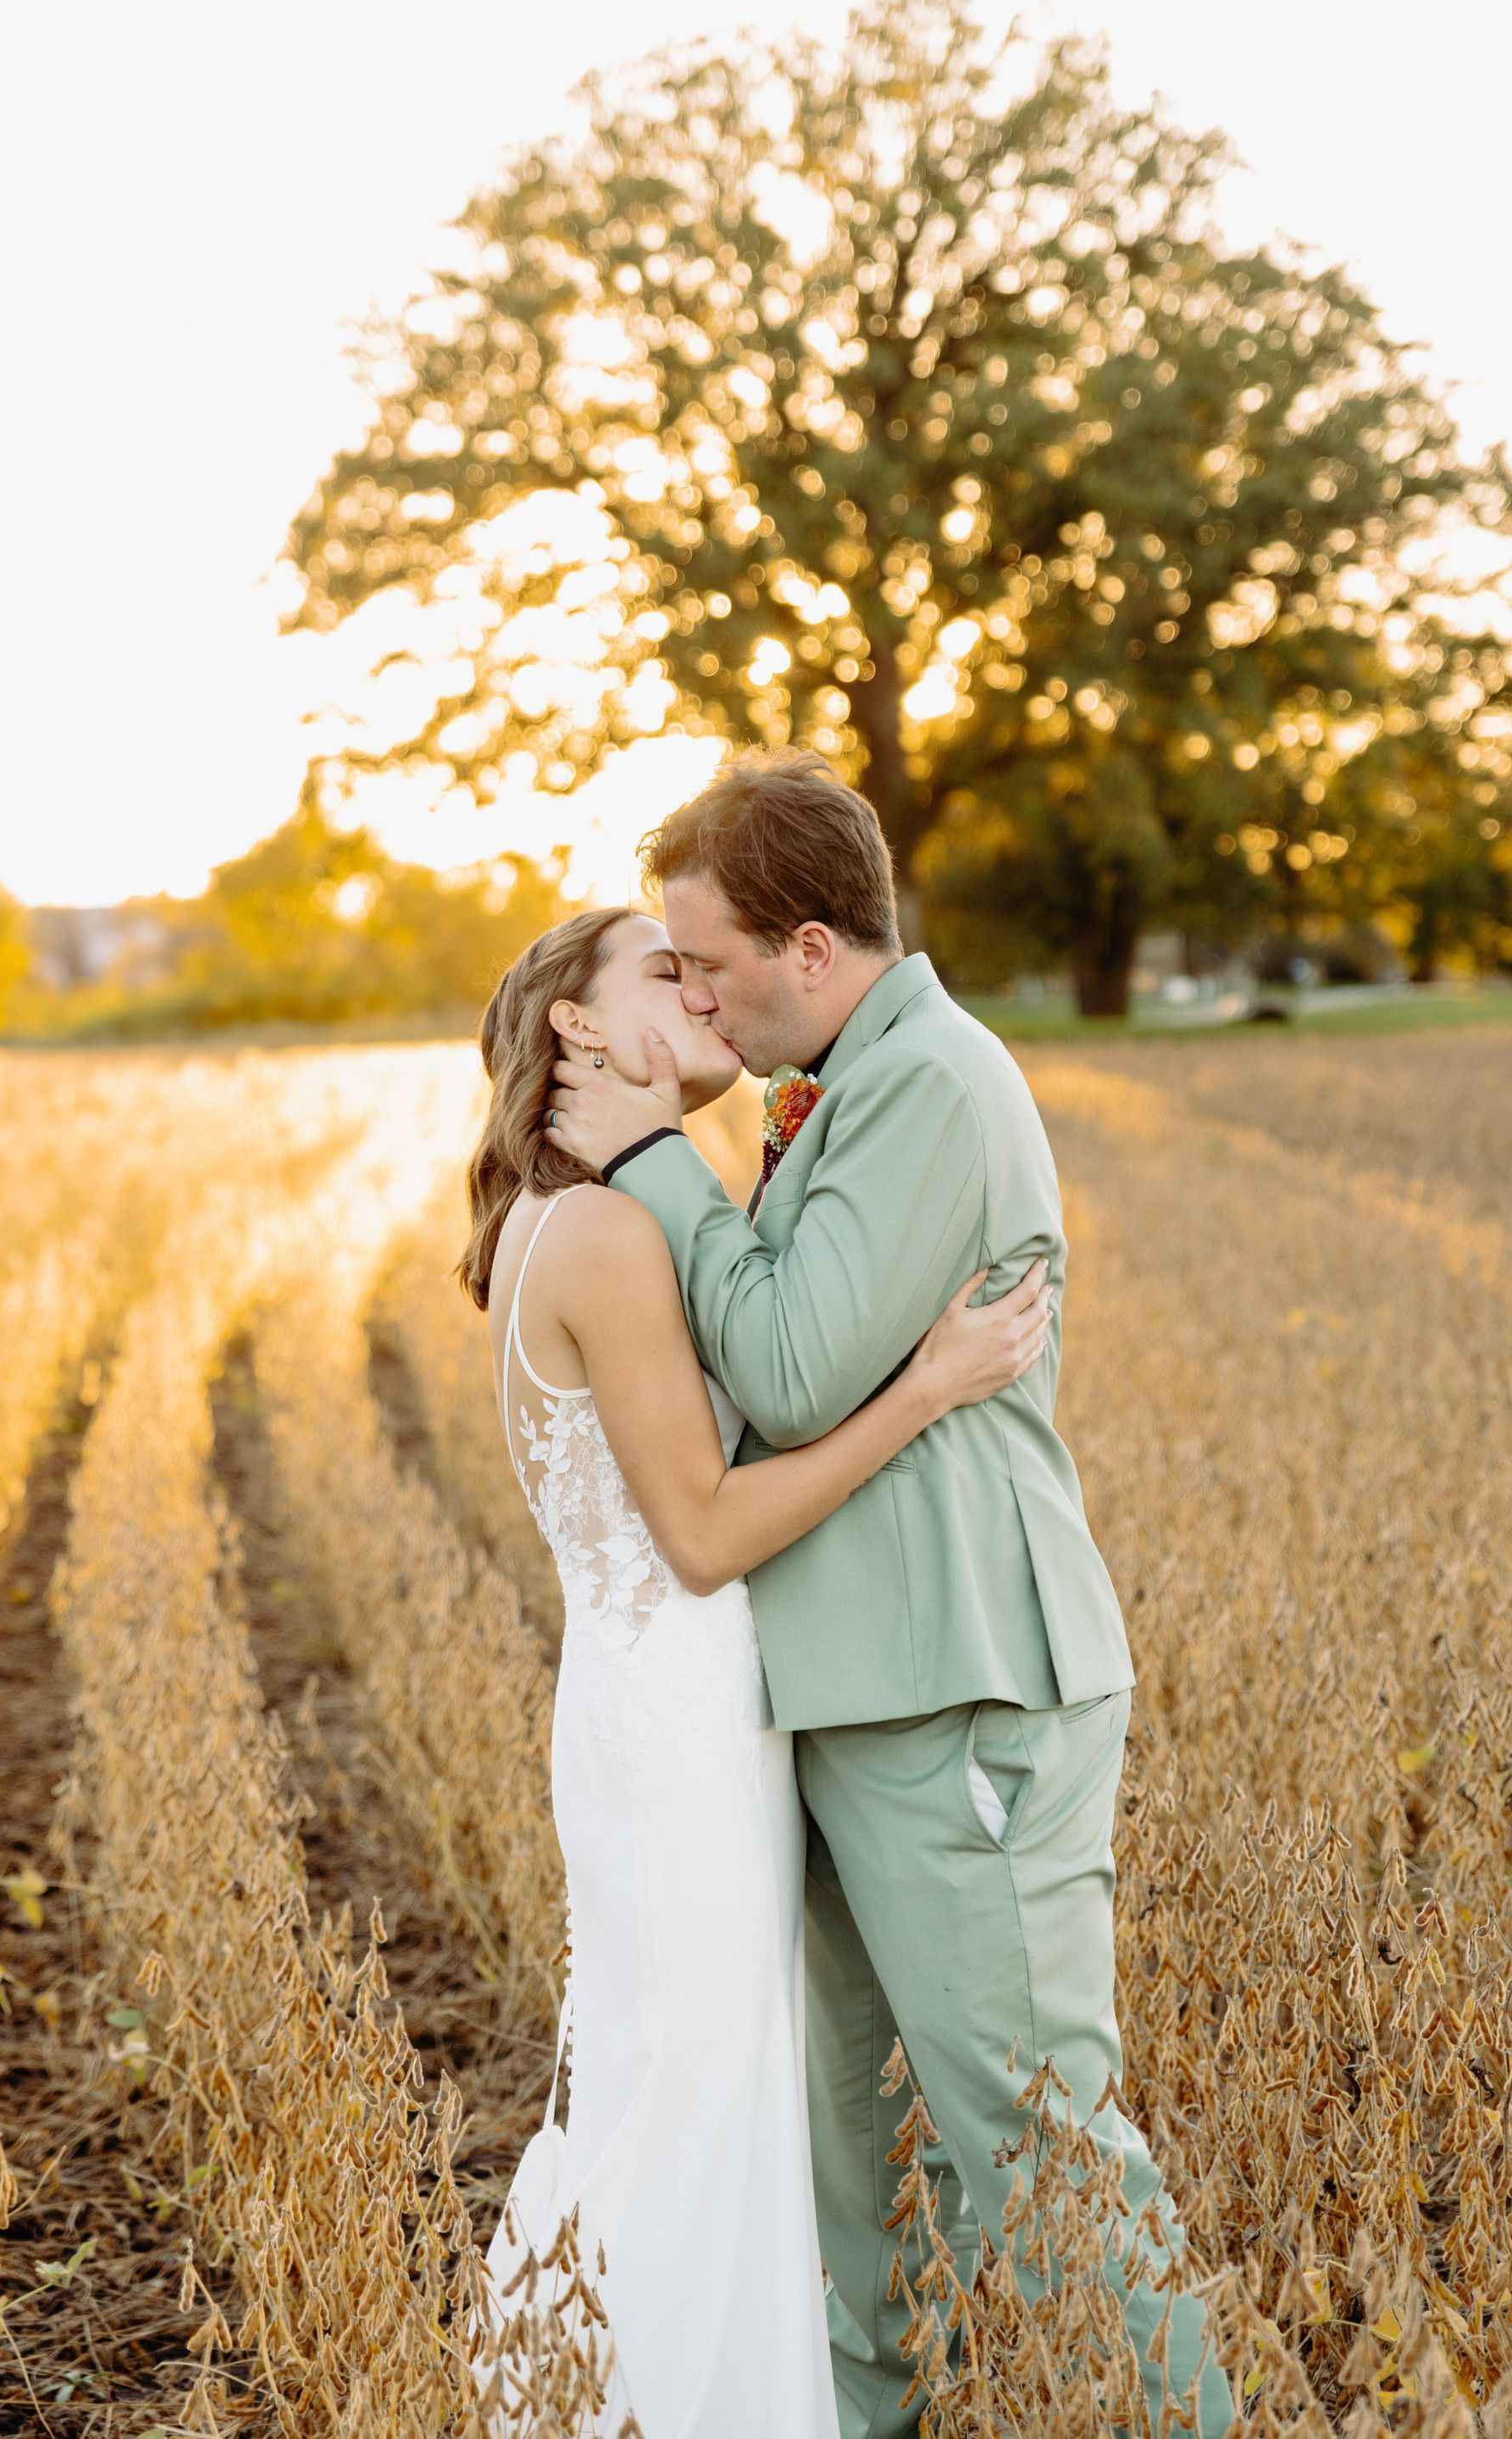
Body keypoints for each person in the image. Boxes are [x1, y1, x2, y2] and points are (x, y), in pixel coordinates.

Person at [544, 752, 1236, 2439]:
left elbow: (783, 1367)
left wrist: (651, 1165)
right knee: (854, 2182)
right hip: (860, 1702)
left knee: (1038, 2143)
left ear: (805, 946)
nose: (691, 994)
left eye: (705, 963)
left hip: (962, 1692)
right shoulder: (840, 1082)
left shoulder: (927, 1079)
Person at [461, 904, 1053, 2439]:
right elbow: (710, 1536)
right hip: (678, 1725)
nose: (708, 993)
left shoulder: (609, 1211)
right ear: (577, 1034)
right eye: (666, 974)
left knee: (699, 2091)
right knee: (691, 2105)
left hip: (673, 1711)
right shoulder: (598, 1230)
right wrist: (926, 1387)